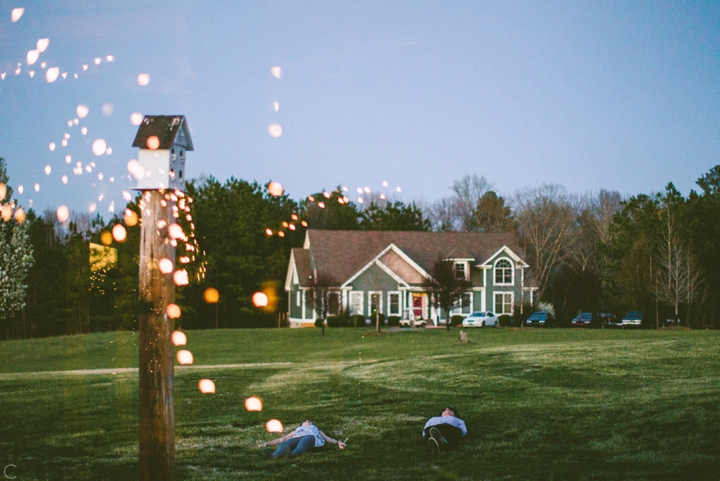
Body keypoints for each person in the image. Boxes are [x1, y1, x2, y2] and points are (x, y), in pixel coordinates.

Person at [259, 420, 347, 459]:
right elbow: (282, 439)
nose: (308, 421)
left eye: (310, 421)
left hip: (311, 437)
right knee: (286, 443)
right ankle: (273, 456)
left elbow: (329, 439)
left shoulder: (316, 430)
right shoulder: (296, 431)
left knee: (303, 444)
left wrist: (338, 442)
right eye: (305, 421)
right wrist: (267, 444)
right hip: (296, 438)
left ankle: (291, 454)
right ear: (301, 425)